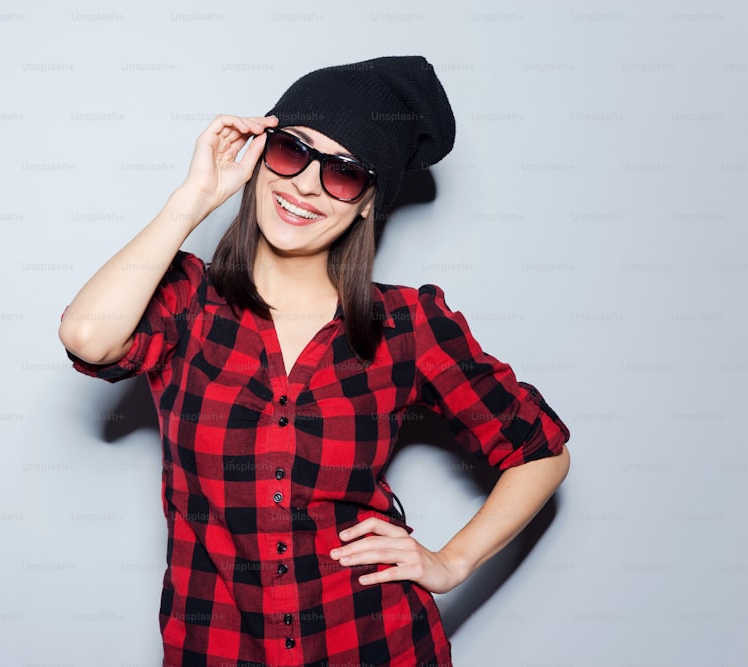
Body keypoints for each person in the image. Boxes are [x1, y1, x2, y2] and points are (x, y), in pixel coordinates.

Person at [58, 55, 571, 667]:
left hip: (371, 643)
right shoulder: (185, 301)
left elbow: (540, 451)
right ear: (259, 154)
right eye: (290, 151)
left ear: (366, 205)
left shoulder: (409, 326)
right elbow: (88, 336)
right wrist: (194, 198)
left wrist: (451, 560)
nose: (305, 185)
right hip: (217, 647)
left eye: (345, 174)